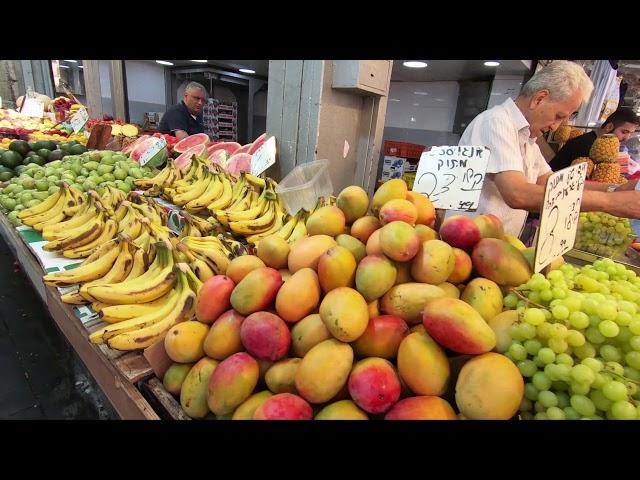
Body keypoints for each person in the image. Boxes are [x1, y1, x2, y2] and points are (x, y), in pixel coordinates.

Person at [453, 60, 640, 238]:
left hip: (497, 248)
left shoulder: (527, 137)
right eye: (558, 116)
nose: (555, 127)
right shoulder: (496, 122)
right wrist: (609, 203)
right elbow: (517, 194)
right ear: (539, 98)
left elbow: (554, 183)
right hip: (471, 245)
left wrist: (614, 189)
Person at [549, 108, 640, 172]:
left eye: (630, 133)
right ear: (609, 127)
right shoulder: (585, 145)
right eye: (624, 132)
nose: (627, 138)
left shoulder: (595, 145)